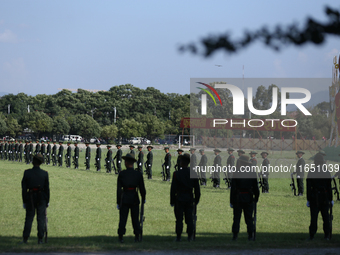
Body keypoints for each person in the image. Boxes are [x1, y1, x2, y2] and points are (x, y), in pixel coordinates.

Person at [170, 153, 201, 242]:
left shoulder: (177, 174)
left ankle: (179, 236)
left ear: (182, 162)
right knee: (189, 218)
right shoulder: (193, 173)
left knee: (179, 218)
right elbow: (197, 189)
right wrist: (197, 199)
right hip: (189, 198)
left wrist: (172, 200)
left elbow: (173, 189)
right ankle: (190, 236)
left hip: (179, 198)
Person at [117, 153, 146, 243]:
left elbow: (118, 190)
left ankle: (121, 236)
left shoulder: (122, 174)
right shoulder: (138, 174)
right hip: (134, 197)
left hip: (125, 197)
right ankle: (137, 236)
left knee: (123, 219)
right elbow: (142, 188)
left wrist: (118, 202)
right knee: (135, 219)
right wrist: (143, 198)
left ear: (126, 163)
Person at [21, 154, 50, 244]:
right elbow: (47, 189)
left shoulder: (27, 172)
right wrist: (47, 201)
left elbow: (24, 188)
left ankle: (25, 238)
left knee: (29, 218)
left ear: (33, 161)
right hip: (42, 198)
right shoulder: (44, 173)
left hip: (30, 197)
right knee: (41, 218)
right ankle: (40, 239)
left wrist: (24, 200)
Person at [230, 155, 259, 241]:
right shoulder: (252, 172)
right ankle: (250, 235)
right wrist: (256, 198)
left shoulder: (236, 172)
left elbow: (233, 188)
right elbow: (255, 188)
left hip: (238, 198)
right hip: (249, 198)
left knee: (236, 218)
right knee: (249, 218)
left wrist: (231, 200)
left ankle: (235, 235)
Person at [307, 152, 333, 240]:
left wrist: (308, 199)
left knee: (314, 217)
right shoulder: (326, 172)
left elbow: (308, 187)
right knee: (326, 217)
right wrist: (331, 199)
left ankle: (312, 235)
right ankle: (327, 235)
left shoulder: (311, 171)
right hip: (325, 197)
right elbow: (329, 187)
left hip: (314, 197)